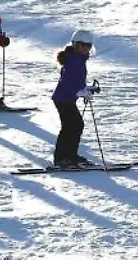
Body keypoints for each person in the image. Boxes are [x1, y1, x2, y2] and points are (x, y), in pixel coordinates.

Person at [51, 29, 98, 169]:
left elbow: (77, 82)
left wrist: (87, 89)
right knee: (72, 126)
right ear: (75, 45)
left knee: (75, 126)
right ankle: (62, 158)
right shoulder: (73, 60)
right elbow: (69, 82)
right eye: (83, 45)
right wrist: (82, 92)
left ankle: (69, 156)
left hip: (67, 98)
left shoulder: (77, 59)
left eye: (89, 45)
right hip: (63, 99)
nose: (86, 48)